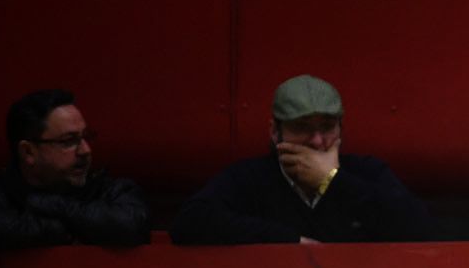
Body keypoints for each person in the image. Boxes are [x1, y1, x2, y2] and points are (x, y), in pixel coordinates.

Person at [171, 75, 430, 245]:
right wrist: (289, 240)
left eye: (327, 127)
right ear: (275, 132)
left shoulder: (366, 172)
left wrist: (331, 180)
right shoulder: (250, 178)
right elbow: (190, 222)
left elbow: (421, 228)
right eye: (302, 127)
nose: (317, 141)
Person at [0, 89, 149, 252]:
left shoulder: (110, 190)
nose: (85, 150)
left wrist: (49, 204)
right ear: (28, 152)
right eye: (68, 141)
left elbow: (131, 225)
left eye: (86, 137)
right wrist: (60, 230)